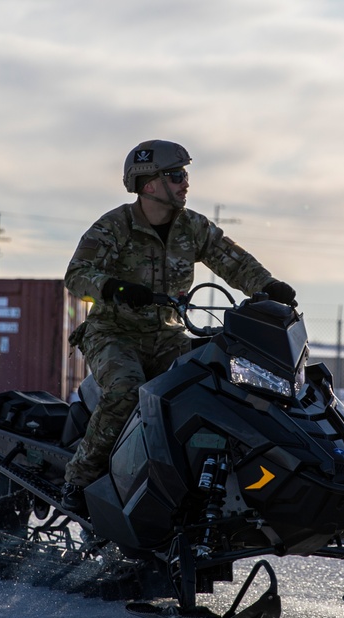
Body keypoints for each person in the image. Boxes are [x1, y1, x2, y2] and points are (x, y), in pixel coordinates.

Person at [60, 139, 296, 514]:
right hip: (112, 333)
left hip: (168, 334)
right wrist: (116, 288)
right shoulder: (114, 226)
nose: (185, 182)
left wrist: (268, 288)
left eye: (185, 174)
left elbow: (233, 261)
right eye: (176, 175)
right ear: (148, 184)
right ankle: (79, 479)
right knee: (125, 390)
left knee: (215, 383)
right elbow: (77, 276)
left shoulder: (193, 227)